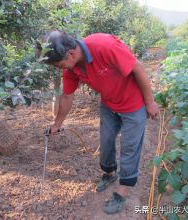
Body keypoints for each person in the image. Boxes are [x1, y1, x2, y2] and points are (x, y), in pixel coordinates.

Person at [36, 30, 159, 214]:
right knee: (106, 141)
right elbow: (67, 97)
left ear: (70, 53)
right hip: (109, 104)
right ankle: (109, 173)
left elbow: (138, 68)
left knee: (130, 147)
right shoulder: (72, 67)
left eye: (59, 65)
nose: (59, 69)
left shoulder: (104, 46)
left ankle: (124, 188)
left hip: (133, 105)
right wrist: (57, 124)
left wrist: (149, 102)